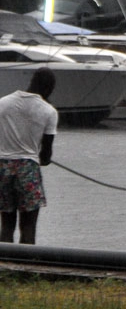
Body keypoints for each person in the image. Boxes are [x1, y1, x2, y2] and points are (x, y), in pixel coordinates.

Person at [0, 68, 57, 245]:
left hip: (3, 167)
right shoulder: (49, 111)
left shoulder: (3, 102)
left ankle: (4, 266)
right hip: (28, 169)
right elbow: (46, 154)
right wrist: (43, 158)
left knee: (7, 226)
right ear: (48, 89)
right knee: (28, 226)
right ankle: (26, 268)